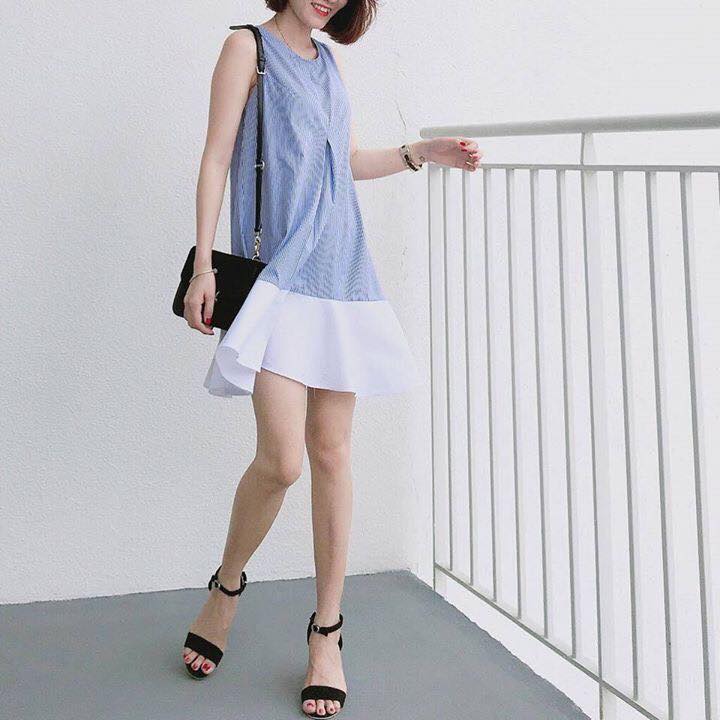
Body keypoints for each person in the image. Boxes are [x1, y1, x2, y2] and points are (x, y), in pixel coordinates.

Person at [180, 1, 482, 716]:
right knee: (281, 460)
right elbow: (217, 157)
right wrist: (203, 266)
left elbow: (341, 164)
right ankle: (226, 586)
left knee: (332, 453)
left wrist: (420, 152)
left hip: (341, 273)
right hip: (279, 279)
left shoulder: (330, 63)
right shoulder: (247, 49)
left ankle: (326, 632)